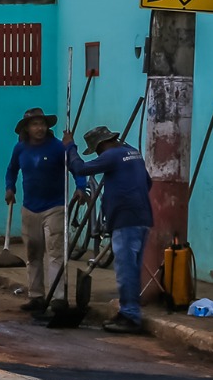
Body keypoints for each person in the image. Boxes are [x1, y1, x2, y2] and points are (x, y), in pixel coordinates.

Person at [64, 125, 154, 333]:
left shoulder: (112, 155)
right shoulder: (134, 154)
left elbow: (80, 169)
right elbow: (147, 183)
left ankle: (130, 316)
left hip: (125, 219)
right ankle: (130, 311)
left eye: (96, 150)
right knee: (133, 269)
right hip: (142, 218)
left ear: (102, 145)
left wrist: (70, 148)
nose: (97, 154)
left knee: (125, 271)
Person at [6, 108, 89, 312]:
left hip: (55, 207)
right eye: (34, 124)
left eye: (42, 124)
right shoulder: (20, 149)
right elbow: (11, 170)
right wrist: (10, 188)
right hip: (29, 208)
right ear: (26, 128)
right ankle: (36, 296)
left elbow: (76, 167)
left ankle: (58, 298)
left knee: (55, 253)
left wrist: (80, 186)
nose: (40, 128)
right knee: (33, 253)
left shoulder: (57, 147)